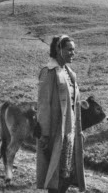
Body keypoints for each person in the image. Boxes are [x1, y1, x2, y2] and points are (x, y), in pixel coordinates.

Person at [36, 35, 86, 193]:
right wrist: (44, 134)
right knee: (55, 177)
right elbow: (44, 105)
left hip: (69, 132)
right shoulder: (49, 73)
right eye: (69, 49)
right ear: (59, 49)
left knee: (67, 175)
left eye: (74, 50)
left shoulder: (69, 73)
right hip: (55, 132)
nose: (73, 53)